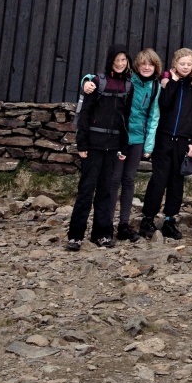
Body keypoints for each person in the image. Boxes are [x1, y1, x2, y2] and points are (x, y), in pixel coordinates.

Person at [67, 45, 132, 251]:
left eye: (124, 60)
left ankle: (102, 234)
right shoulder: (96, 82)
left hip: (112, 147)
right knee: (86, 190)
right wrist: (82, 143)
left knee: (105, 191)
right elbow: (85, 114)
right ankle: (75, 235)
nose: (120, 64)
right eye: (117, 60)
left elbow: (126, 119)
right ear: (111, 61)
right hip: (93, 146)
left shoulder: (128, 86)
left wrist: (124, 147)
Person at [139, 48, 192, 240]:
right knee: (158, 180)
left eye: (189, 64)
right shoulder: (166, 83)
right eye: (182, 63)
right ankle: (148, 218)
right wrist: (172, 82)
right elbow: (164, 104)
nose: (185, 67)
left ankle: (169, 220)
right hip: (164, 138)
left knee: (176, 181)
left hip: (183, 141)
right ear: (175, 64)